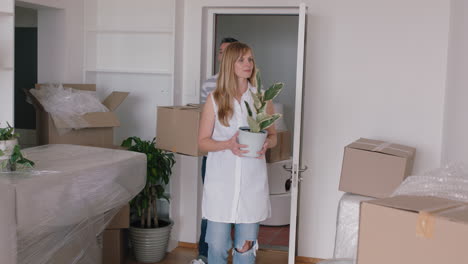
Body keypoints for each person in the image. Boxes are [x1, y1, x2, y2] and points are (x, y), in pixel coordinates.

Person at [198, 42, 277, 264]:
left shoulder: (262, 98)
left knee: (245, 250)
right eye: (242, 59)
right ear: (229, 64)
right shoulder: (215, 99)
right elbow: (202, 143)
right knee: (217, 247)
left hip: (252, 185)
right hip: (221, 186)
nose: (248, 64)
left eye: (250, 59)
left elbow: (273, 136)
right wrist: (227, 145)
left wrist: (265, 144)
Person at [191, 37, 238, 264]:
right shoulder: (209, 84)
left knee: (239, 207)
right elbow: (207, 124)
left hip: (240, 159)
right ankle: (204, 254)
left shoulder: (251, 87)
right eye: (221, 52)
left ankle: (240, 252)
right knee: (212, 206)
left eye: (227, 52)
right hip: (213, 156)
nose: (222, 56)